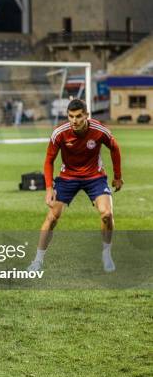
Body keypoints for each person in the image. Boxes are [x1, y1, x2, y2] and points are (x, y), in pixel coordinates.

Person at [27, 99, 122, 272]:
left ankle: (106, 254)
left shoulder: (99, 130)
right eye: (71, 116)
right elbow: (49, 160)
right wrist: (49, 188)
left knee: (107, 214)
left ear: (86, 115)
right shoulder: (59, 133)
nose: (74, 120)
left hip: (95, 176)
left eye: (78, 116)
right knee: (52, 217)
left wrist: (118, 177)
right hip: (67, 177)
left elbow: (114, 148)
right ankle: (37, 261)